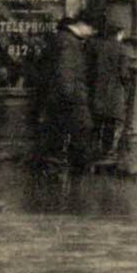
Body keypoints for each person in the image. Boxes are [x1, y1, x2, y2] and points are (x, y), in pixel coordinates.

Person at [42, 12, 95, 172]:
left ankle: (58, 163)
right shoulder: (69, 42)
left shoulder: (63, 38)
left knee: (60, 130)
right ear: (82, 24)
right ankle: (78, 167)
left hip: (62, 94)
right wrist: (70, 95)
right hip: (71, 95)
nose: (93, 32)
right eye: (92, 28)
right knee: (82, 127)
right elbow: (65, 70)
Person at [87, 16, 131, 160]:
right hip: (113, 91)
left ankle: (92, 150)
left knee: (96, 122)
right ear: (119, 33)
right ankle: (106, 152)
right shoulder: (122, 49)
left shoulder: (95, 46)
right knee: (110, 123)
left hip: (96, 89)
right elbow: (124, 74)